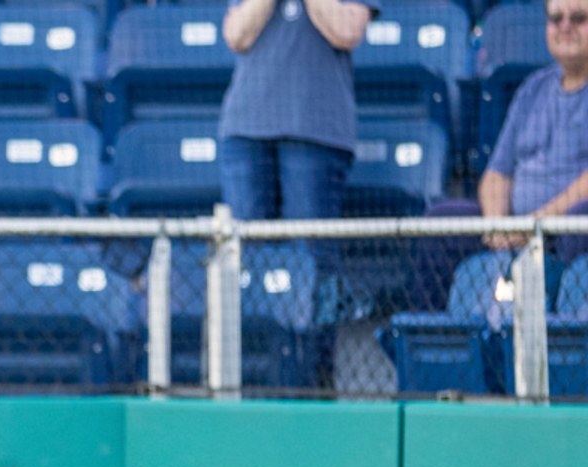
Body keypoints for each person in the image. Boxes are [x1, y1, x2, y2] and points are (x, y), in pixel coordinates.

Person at [412, 0, 588, 310]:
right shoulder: (533, 88)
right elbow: (498, 172)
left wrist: (536, 224)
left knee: (579, 221)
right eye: (556, 18)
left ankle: (566, 345)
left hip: (565, 229)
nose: (565, 27)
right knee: (439, 222)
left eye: (578, 18)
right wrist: (497, 225)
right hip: (515, 228)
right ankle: (440, 344)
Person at [218, 0, 377, 222]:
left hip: (315, 128)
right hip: (247, 126)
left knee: (310, 250)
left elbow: (346, 32)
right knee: (245, 250)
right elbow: (236, 36)